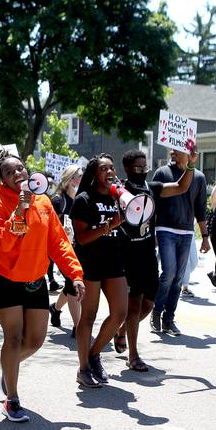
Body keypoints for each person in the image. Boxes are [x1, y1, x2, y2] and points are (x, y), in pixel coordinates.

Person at [0, 149, 85, 421]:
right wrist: (19, 209)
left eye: (20, 169)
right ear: (1, 180)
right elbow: (3, 243)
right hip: (5, 280)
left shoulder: (43, 201)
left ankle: (9, 368)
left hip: (34, 280)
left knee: (36, 340)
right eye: (9, 172)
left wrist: (74, 274)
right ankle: (12, 398)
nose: (17, 174)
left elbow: (59, 241)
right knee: (14, 337)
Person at [113, 150, 195, 371]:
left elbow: (180, 187)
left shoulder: (152, 188)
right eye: (138, 168)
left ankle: (121, 331)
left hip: (148, 254)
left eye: (145, 167)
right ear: (128, 168)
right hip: (128, 256)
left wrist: (189, 166)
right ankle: (133, 355)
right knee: (133, 306)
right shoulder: (121, 189)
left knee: (148, 305)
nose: (143, 171)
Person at [70, 154, 128, 387]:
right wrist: (109, 225)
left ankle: (94, 354)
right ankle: (83, 369)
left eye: (112, 168)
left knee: (120, 313)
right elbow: (82, 239)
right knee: (89, 316)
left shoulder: (118, 197)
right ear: (94, 174)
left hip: (113, 261)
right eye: (104, 168)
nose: (110, 171)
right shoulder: (83, 199)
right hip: (90, 262)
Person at [151, 148, 209, 336]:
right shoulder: (163, 173)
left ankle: (169, 319)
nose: (173, 151)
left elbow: (201, 209)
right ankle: (156, 313)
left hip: (186, 231)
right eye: (173, 148)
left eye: (179, 149)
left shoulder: (199, 177)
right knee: (168, 272)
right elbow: (155, 204)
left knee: (179, 278)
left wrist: (205, 237)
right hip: (165, 229)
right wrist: (152, 232)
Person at [48, 165, 83, 336]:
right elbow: (50, 225)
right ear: (70, 178)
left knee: (70, 284)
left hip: (78, 247)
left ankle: (55, 308)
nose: (81, 178)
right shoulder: (57, 200)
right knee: (73, 284)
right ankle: (79, 326)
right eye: (78, 175)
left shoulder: (78, 198)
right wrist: (62, 229)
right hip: (62, 248)